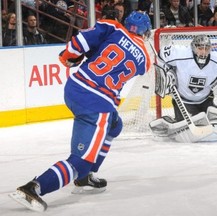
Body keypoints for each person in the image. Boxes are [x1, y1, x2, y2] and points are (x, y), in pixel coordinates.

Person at [9, 11, 152, 212]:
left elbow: (83, 41)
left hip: (75, 87)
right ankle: (34, 187)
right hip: (97, 102)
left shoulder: (113, 27)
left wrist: (68, 56)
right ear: (145, 33)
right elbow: (127, 60)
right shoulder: (144, 59)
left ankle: (86, 176)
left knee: (115, 125)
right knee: (80, 163)